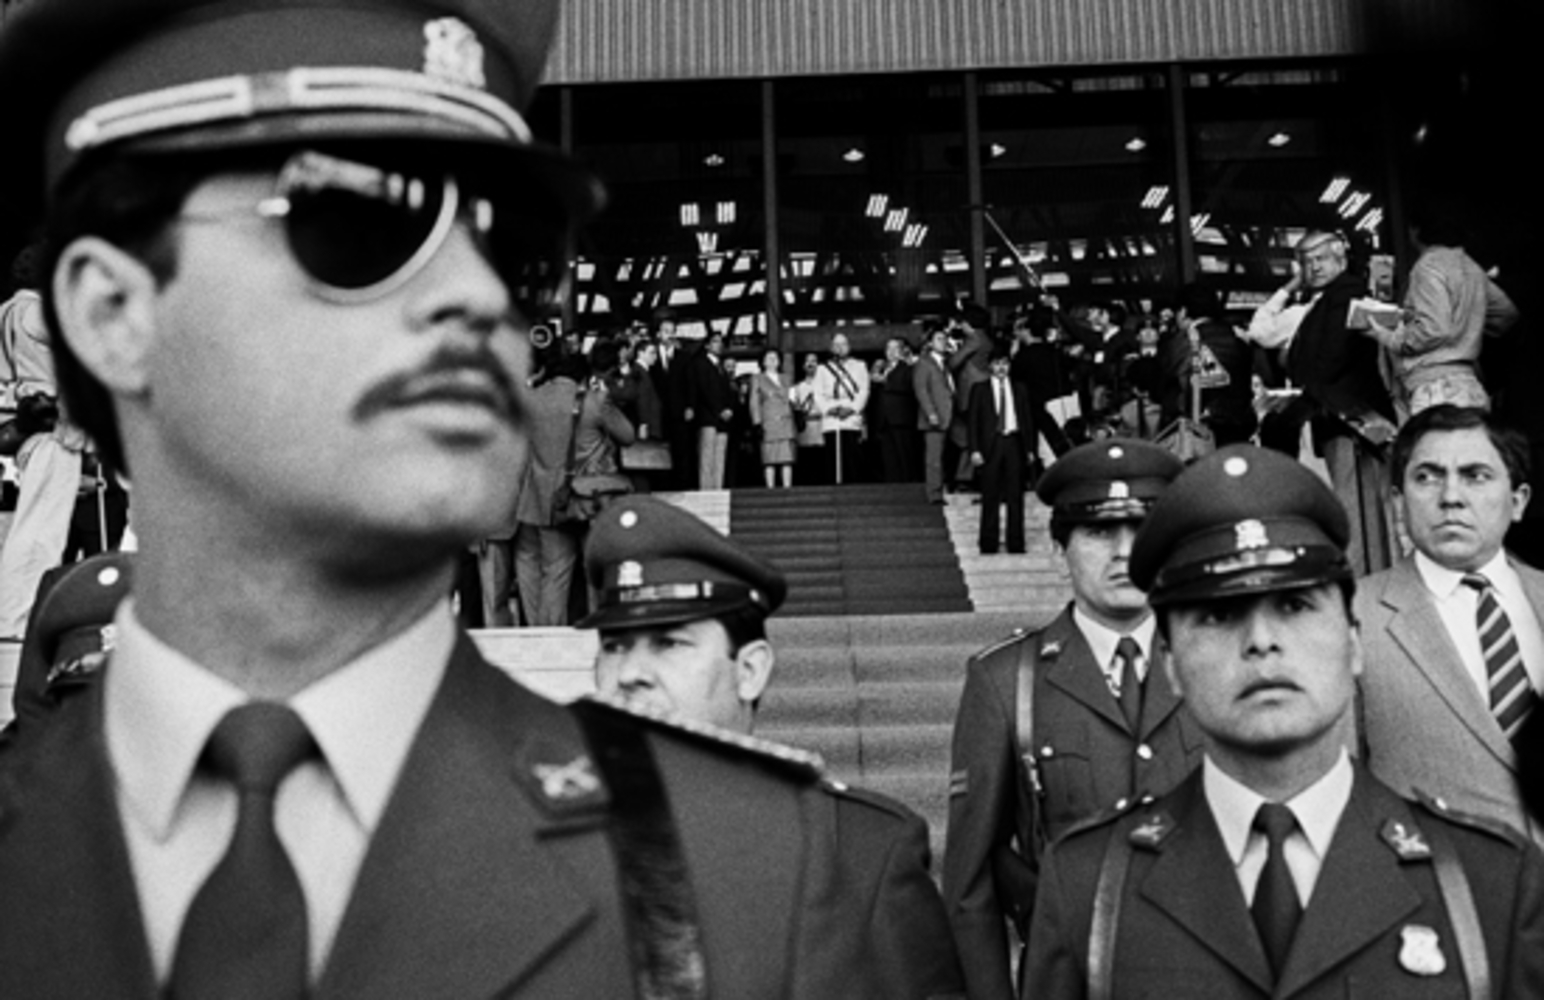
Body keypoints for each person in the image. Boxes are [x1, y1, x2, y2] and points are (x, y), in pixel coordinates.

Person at [0, 2, 891, 995]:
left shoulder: (744, 873)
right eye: (368, 218)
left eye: (513, 247)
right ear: (112, 313)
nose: (476, 296)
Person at [1026, 444, 1544, 998]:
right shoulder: (1091, 886)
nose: (1262, 641)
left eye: (1295, 606)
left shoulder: (1486, 880)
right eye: (1219, 615)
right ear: (1171, 663)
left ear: (1354, 642)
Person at [579, 495, 967, 1000]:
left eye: (668, 643)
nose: (630, 673)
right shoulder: (554, 836)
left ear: (750, 670)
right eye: (614, 647)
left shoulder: (861, 852)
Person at [942, 438, 1199, 1000]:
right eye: (1099, 532)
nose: (1124, 553)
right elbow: (970, 885)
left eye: (1142, 531)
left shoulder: (1214, 665)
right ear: (1059, 551)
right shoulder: (1006, 681)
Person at [1356, 405, 1544, 846]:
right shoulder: (1353, 616)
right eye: (1427, 477)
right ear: (1397, 501)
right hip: (1442, 884)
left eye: (1476, 476)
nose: (1451, 497)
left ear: (1518, 502)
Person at [1283, 230, 1398, 575]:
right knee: (1365, 510)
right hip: (1348, 415)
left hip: (1350, 417)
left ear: (1340, 258)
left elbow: (1331, 357)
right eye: (1307, 262)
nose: (1314, 267)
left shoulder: (1345, 293)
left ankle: (1364, 583)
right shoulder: (1332, 296)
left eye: (1320, 259)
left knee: (1355, 508)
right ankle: (1372, 579)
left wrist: (1302, 382)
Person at [1353, 206, 1520, 421]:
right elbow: (1506, 314)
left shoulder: (1428, 265)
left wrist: (1383, 335)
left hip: (1435, 390)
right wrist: (1468, 327)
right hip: (1469, 386)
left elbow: (1433, 330)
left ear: (1415, 230)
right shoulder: (1471, 266)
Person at [0, 247, 90, 639]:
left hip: (25, 429)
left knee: (32, 525)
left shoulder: (6, 312)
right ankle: (16, 619)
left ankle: (13, 616)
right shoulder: (37, 311)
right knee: (41, 532)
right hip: (53, 430)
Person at [967, 346, 1035, 555]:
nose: (1001, 368)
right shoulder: (980, 389)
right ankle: (988, 542)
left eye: (1005, 363)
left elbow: (1027, 419)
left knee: (1015, 494)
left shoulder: (1020, 388)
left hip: (1014, 441)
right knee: (990, 494)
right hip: (991, 444)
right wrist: (974, 449)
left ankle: (1016, 542)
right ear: (990, 366)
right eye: (997, 364)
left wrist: (1030, 448)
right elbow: (973, 422)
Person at [813, 331, 870, 485]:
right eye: (836, 344)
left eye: (843, 344)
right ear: (831, 347)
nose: (840, 348)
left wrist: (852, 409)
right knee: (832, 457)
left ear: (849, 347)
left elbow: (864, 391)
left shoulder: (859, 366)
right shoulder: (822, 369)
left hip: (851, 416)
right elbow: (817, 393)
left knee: (853, 457)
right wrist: (829, 409)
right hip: (831, 418)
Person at [686, 331, 735, 490]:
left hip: (722, 418)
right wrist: (720, 409)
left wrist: (729, 409)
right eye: (715, 341)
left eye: (720, 342)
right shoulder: (700, 364)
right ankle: (706, 490)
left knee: (719, 456)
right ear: (707, 345)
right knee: (707, 456)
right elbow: (703, 390)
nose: (719, 345)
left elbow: (728, 391)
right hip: (707, 416)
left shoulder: (721, 367)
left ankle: (718, 489)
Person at [914, 323, 955, 504]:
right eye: (939, 339)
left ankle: (956, 482)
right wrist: (930, 412)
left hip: (950, 414)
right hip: (935, 416)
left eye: (945, 339)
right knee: (934, 457)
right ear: (930, 343)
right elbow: (921, 389)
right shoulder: (924, 362)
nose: (943, 342)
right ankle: (934, 492)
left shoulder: (945, 362)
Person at [749, 347, 796, 488]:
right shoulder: (758, 378)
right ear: (763, 362)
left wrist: (798, 412)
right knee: (769, 459)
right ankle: (770, 489)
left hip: (786, 421)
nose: (773, 360)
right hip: (768, 422)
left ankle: (787, 488)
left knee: (787, 458)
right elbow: (754, 402)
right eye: (769, 358)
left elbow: (793, 398)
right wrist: (757, 422)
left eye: (775, 358)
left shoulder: (787, 378)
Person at [875, 337, 920, 484]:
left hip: (901, 418)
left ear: (902, 351)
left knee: (905, 455)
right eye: (888, 348)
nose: (891, 351)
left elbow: (908, 387)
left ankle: (908, 486)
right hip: (884, 419)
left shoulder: (908, 368)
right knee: (889, 457)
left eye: (895, 348)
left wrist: (884, 381)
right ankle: (892, 486)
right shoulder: (881, 368)